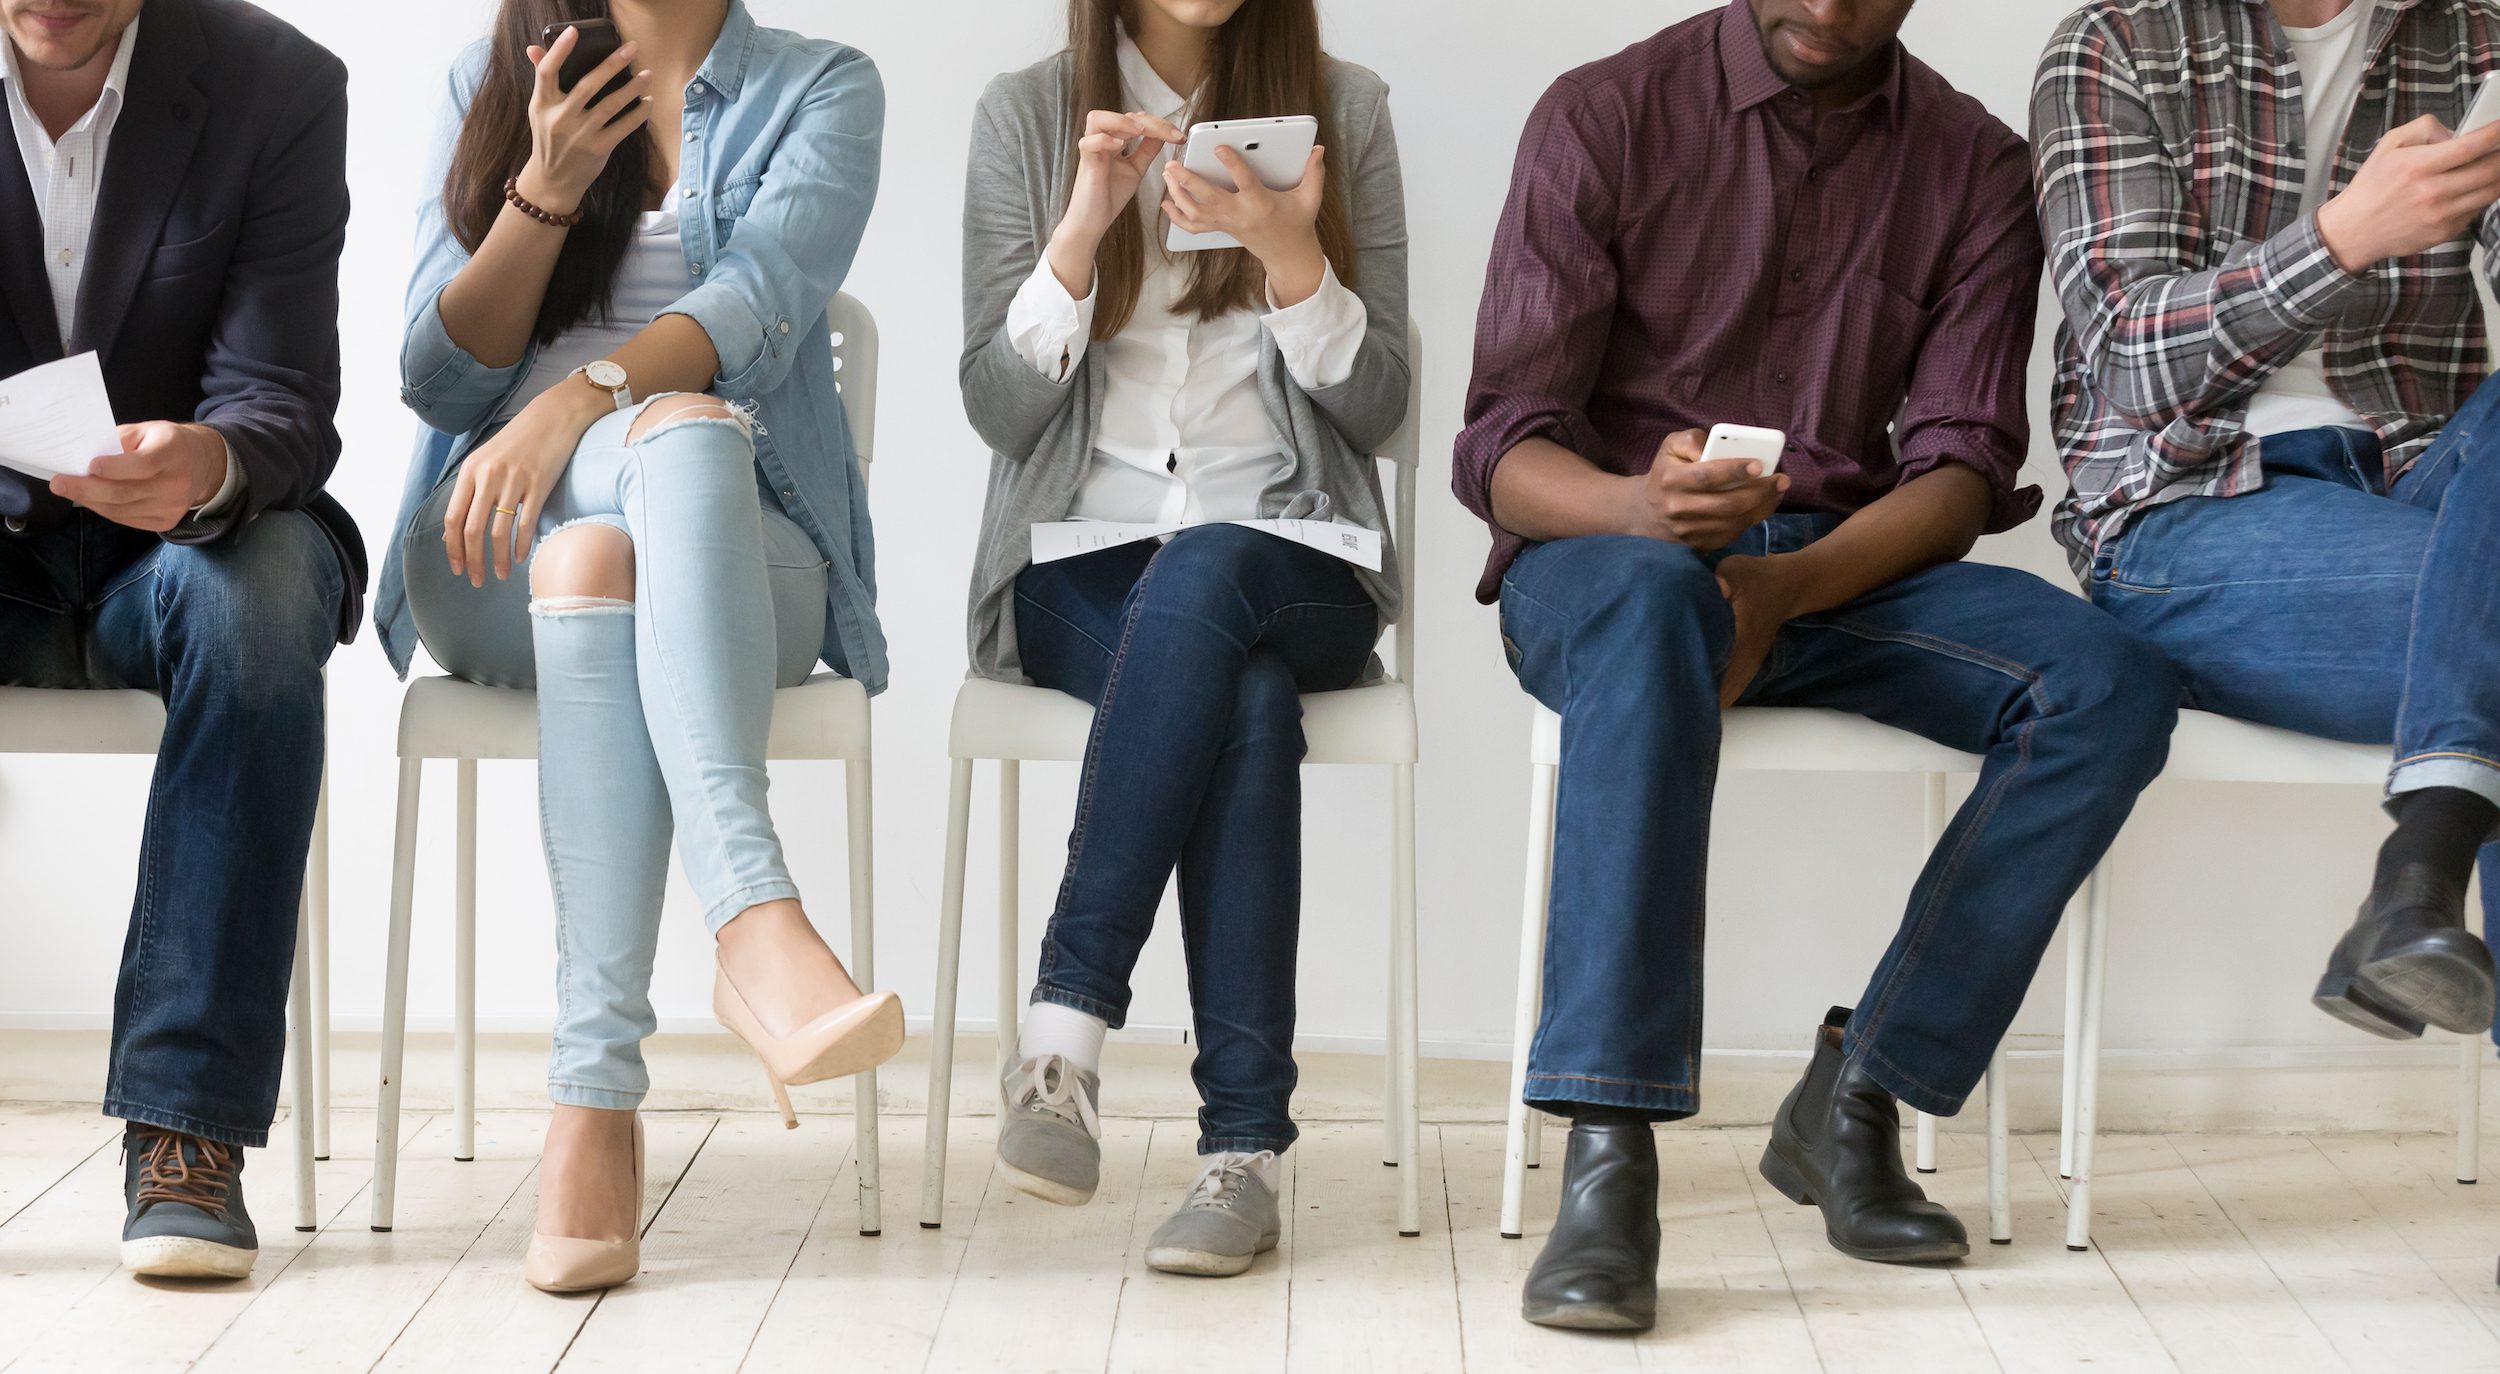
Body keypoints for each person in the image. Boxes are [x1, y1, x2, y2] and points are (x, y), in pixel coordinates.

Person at [1456, 0, 2182, 1333]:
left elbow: (1961, 469)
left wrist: (1780, 591)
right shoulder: (1603, 113)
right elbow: (1502, 447)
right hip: (1609, 562)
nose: (1830, 7)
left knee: (2107, 681)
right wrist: (1643, 513)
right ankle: (1609, 1158)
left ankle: (1869, 1085)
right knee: (1655, 603)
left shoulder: (1972, 161)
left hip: (1837, 573)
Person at [379, 0, 898, 1294]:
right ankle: (757, 926)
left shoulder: (824, 89)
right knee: (591, 537)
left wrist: (579, 397)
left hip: (734, 555)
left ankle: (590, 1100)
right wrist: (541, 197)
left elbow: (761, 304)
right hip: (493, 543)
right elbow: (438, 383)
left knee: (680, 439)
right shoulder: (491, 75)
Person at [959, 0, 1408, 1279]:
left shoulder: (1349, 109)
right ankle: (1245, 1155)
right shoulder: (1024, 114)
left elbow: (1383, 404)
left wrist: (1293, 255)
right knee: (1246, 702)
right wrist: (1081, 232)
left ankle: (1062, 1037)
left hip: (1295, 552)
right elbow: (995, 410)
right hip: (1079, 564)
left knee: (1213, 569)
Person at [2036, 0, 2500, 1046]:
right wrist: (2345, 237)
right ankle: (2418, 868)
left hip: (2429, 484)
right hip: (2186, 510)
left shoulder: (2478, 37)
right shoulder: (2114, 42)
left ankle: (2417, 874)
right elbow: (2128, 355)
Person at [0, 0, 356, 1281]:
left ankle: (187, 1136)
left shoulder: (278, 83)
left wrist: (207, 461)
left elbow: (280, 395)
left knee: (261, 591)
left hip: (183, 546)